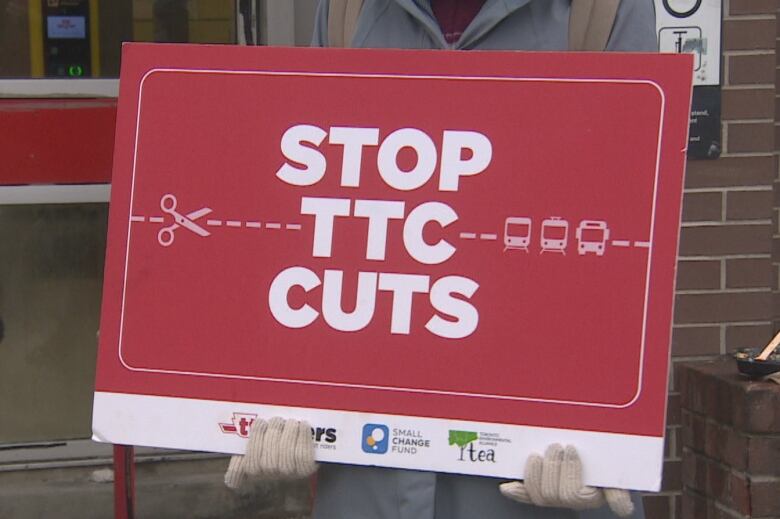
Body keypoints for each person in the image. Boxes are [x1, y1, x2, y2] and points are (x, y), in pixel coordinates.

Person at [227, 2, 658, 518]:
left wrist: (609, 447)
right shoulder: (350, 7)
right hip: (373, 484)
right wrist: (277, 395)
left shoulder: (601, 10)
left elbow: (627, 235)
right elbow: (322, 217)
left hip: (526, 479)